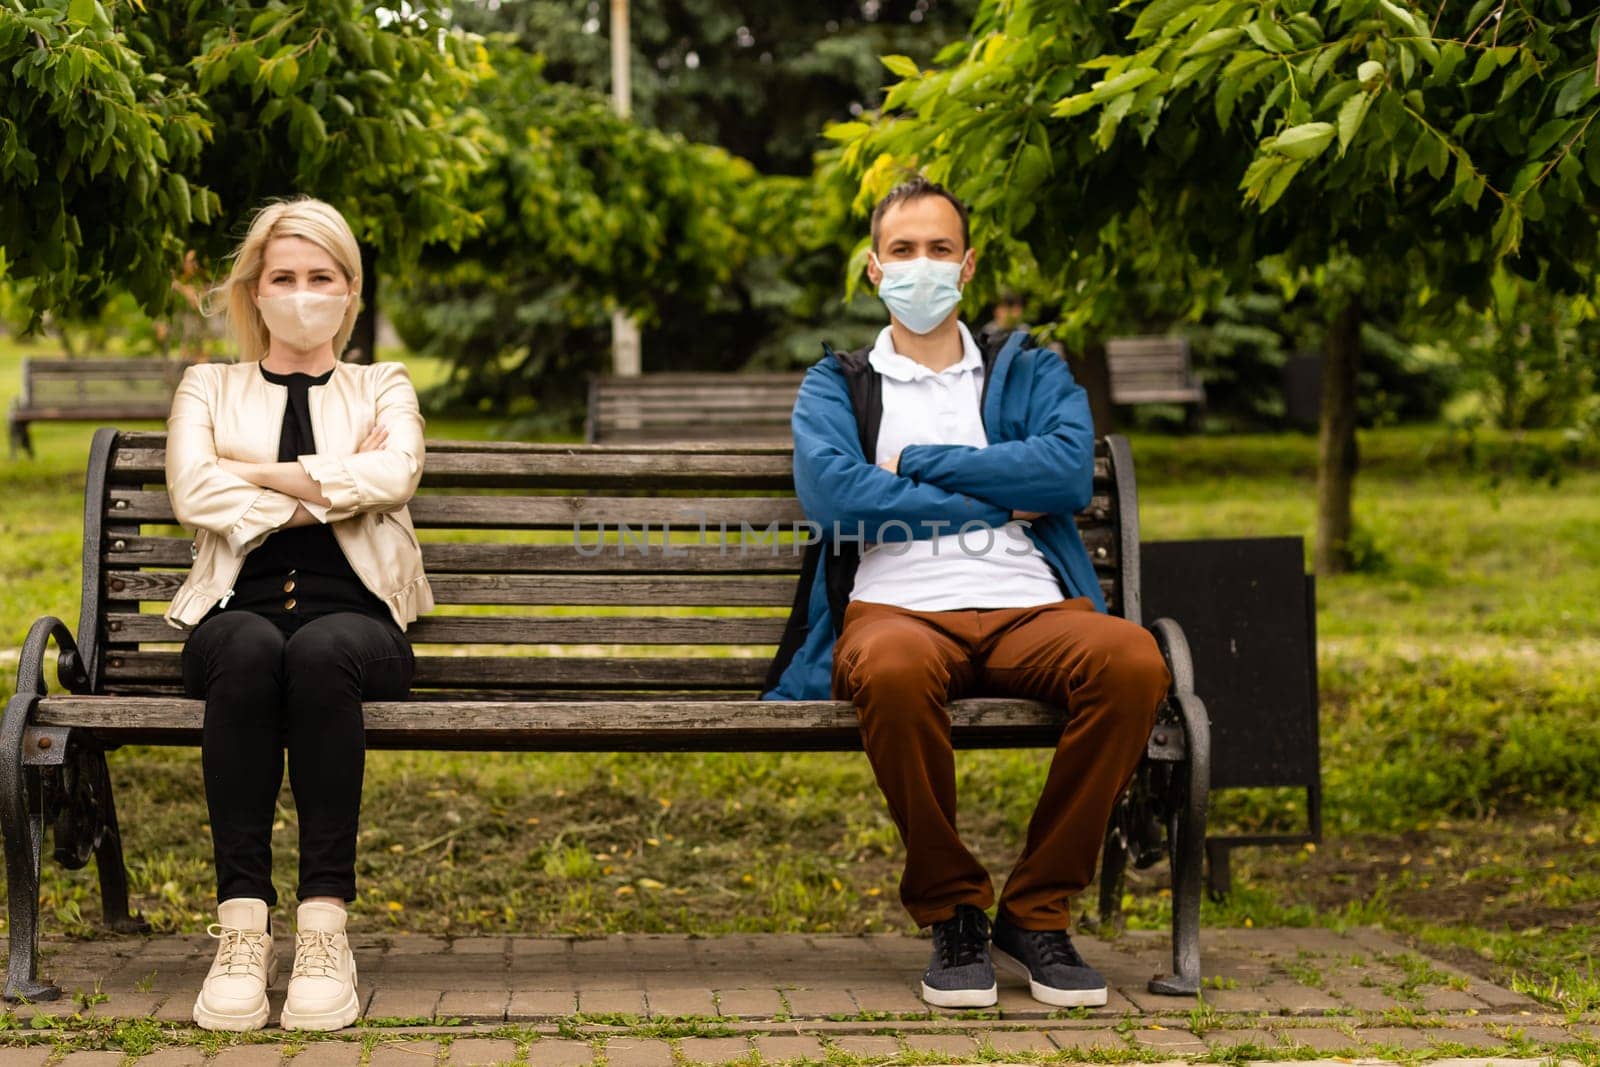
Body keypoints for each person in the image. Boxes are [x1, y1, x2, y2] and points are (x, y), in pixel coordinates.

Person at [763, 177, 1170, 1009]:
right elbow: (838, 498)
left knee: (1131, 659)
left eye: (940, 249)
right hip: (899, 612)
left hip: (1029, 605)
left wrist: (916, 463)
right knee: (891, 669)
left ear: (969, 264)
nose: (923, 267)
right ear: (874, 269)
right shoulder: (838, 383)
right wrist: (999, 488)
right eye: (903, 251)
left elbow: (1062, 471)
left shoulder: (1027, 368)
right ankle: (952, 907)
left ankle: (1037, 910)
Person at [164, 197, 433, 1032]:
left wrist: (256, 469)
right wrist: (329, 484)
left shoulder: (383, 382)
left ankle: (323, 928)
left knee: (319, 652)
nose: (302, 292)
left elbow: (395, 475)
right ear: (255, 290)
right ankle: (243, 928)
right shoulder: (208, 383)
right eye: (284, 276)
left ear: (350, 292)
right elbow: (191, 489)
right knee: (247, 647)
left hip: (362, 625)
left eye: (322, 276)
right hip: (232, 614)